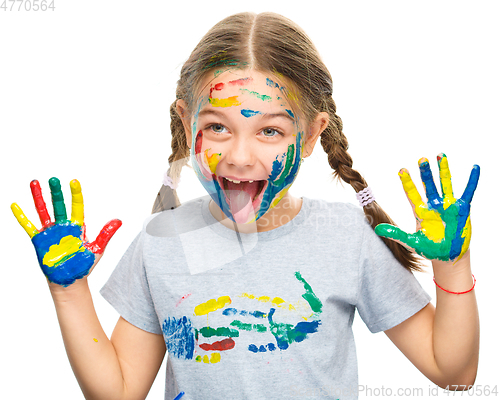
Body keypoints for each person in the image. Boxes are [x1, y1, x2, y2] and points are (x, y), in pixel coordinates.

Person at [11, 11, 480, 400]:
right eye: (217, 127)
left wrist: (453, 267)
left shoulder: (347, 237)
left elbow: (453, 374)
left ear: (313, 133)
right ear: (185, 119)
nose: (238, 156)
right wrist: (68, 293)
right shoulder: (162, 241)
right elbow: (118, 393)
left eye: (270, 131)